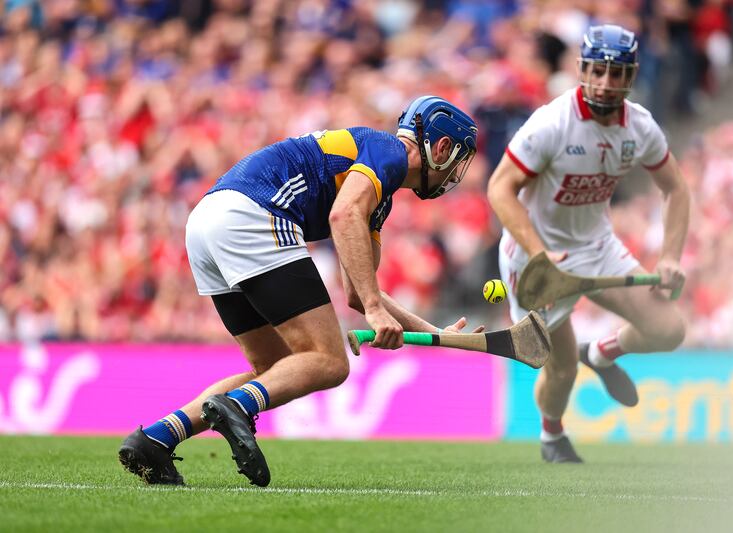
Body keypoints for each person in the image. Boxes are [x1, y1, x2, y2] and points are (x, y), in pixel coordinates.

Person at [118, 95, 481, 486]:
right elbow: (343, 216)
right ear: (441, 148)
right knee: (329, 361)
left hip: (208, 222)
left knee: (277, 370)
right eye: (458, 159)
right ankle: (235, 406)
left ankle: (157, 439)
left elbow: (359, 291)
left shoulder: (379, 192)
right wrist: (376, 311)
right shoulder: (388, 152)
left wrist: (436, 334)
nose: (455, 173)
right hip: (254, 214)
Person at [487, 25, 690, 463]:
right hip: (536, 259)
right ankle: (552, 436)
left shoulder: (639, 126)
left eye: (617, 73)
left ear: (631, 75)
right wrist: (540, 254)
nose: (605, 82)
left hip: (597, 248)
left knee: (668, 329)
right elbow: (500, 189)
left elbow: (675, 188)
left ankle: (599, 353)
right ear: (582, 69)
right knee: (560, 370)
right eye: (598, 71)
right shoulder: (551, 124)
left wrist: (670, 257)